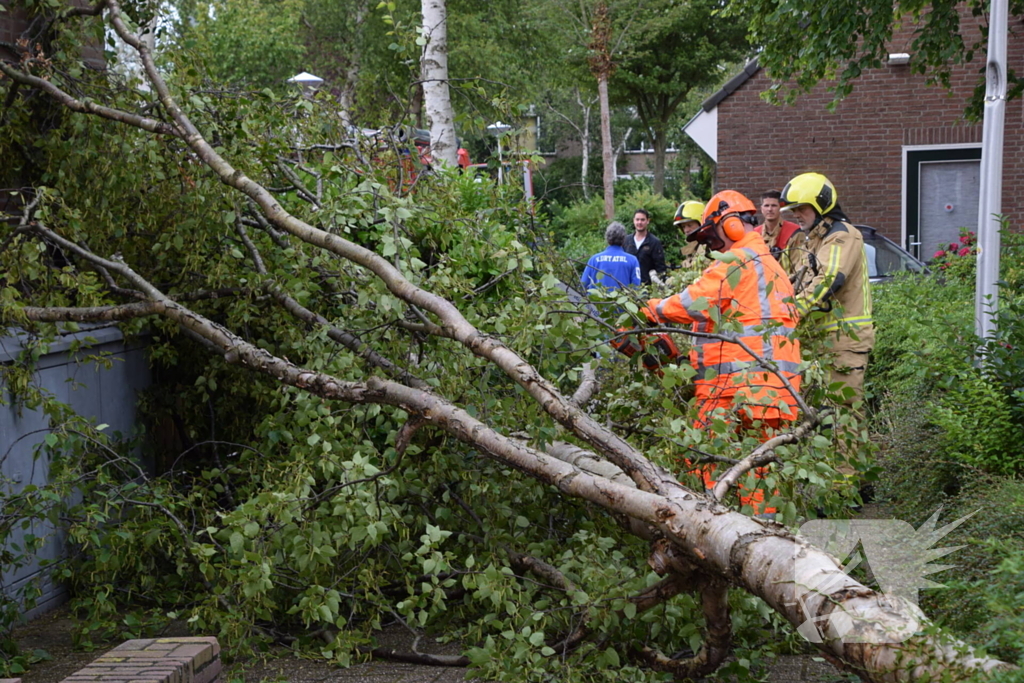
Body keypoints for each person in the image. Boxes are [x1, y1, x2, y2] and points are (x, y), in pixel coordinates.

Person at [643, 190, 802, 513]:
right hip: (777, 392)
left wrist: (651, 309)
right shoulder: (771, 266)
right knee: (759, 475)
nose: (714, 249)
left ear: (730, 226)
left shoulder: (738, 260)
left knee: (701, 455)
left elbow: (692, 302)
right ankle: (763, 542)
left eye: (714, 240)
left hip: (736, 388)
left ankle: (715, 532)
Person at [780, 172, 873, 406]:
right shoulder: (814, 240)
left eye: (802, 208)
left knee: (843, 412)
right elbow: (797, 281)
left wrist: (791, 312)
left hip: (843, 341)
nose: (796, 215)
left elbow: (829, 278)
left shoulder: (842, 235)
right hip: (821, 339)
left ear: (821, 205)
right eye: (794, 210)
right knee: (822, 416)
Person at [580, 221, 642, 292]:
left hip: (597, 302)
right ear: (624, 239)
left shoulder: (594, 260)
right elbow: (636, 287)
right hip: (622, 302)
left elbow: (583, 285)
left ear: (607, 238)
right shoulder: (632, 260)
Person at [754, 190, 803, 270]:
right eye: (766, 206)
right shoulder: (754, 234)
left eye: (774, 205)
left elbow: (799, 266)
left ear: (781, 208)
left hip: (788, 281)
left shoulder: (794, 232)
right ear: (761, 209)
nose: (770, 209)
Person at [623, 208, 666, 285]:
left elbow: (660, 268)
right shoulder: (626, 241)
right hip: (628, 286)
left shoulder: (654, 242)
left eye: (642, 220)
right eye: (637, 219)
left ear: (648, 221)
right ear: (633, 220)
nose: (639, 222)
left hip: (647, 288)